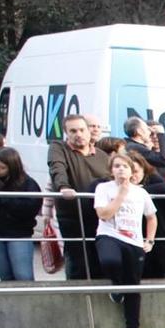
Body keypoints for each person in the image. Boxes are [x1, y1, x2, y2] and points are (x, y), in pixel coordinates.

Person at [91, 151, 157, 328]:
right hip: (110, 234)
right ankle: (116, 285)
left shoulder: (141, 192)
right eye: (117, 166)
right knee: (110, 261)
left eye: (125, 166)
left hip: (134, 241)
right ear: (111, 170)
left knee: (133, 287)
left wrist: (150, 240)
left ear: (131, 170)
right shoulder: (104, 188)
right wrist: (120, 194)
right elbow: (104, 214)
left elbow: (151, 216)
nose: (121, 169)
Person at [49, 112, 112, 280]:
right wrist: (63, 187)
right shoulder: (58, 148)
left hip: (99, 215)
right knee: (78, 259)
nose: (79, 135)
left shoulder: (102, 155)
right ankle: (77, 296)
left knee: (100, 257)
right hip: (72, 214)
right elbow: (57, 168)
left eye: (82, 130)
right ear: (66, 133)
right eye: (73, 131)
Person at [0, 146, 41, 281]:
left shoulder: (28, 184)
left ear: (12, 167)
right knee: (5, 275)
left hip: (18, 233)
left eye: (2, 167)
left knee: (23, 276)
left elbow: (30, 208)